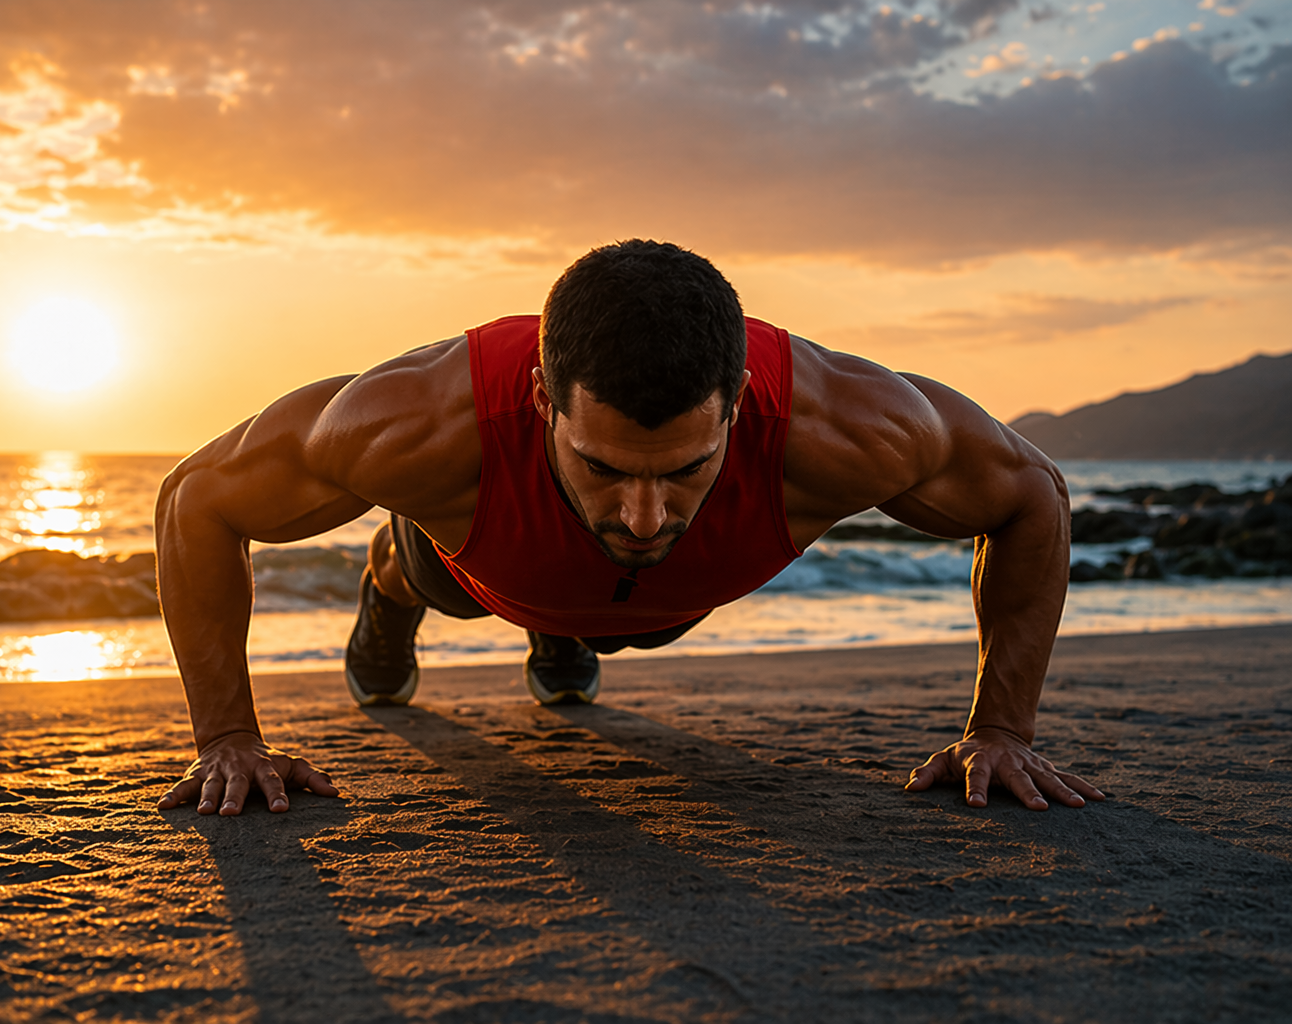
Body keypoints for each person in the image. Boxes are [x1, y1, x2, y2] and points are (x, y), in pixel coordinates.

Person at [154, 239, 1105, 819]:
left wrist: (1001, 732)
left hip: (665, 607)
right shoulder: (420, 423)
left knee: (643, 614)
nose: (645, 516)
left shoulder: (849, 427)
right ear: (540, 401)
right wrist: (228, 736)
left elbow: (1033, 497)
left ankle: (562, 626)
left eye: (685, 470)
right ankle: (388, 594)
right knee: (433, 575)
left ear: (738, 403)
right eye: (603, 467)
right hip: (478, 560)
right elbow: (198, 499)